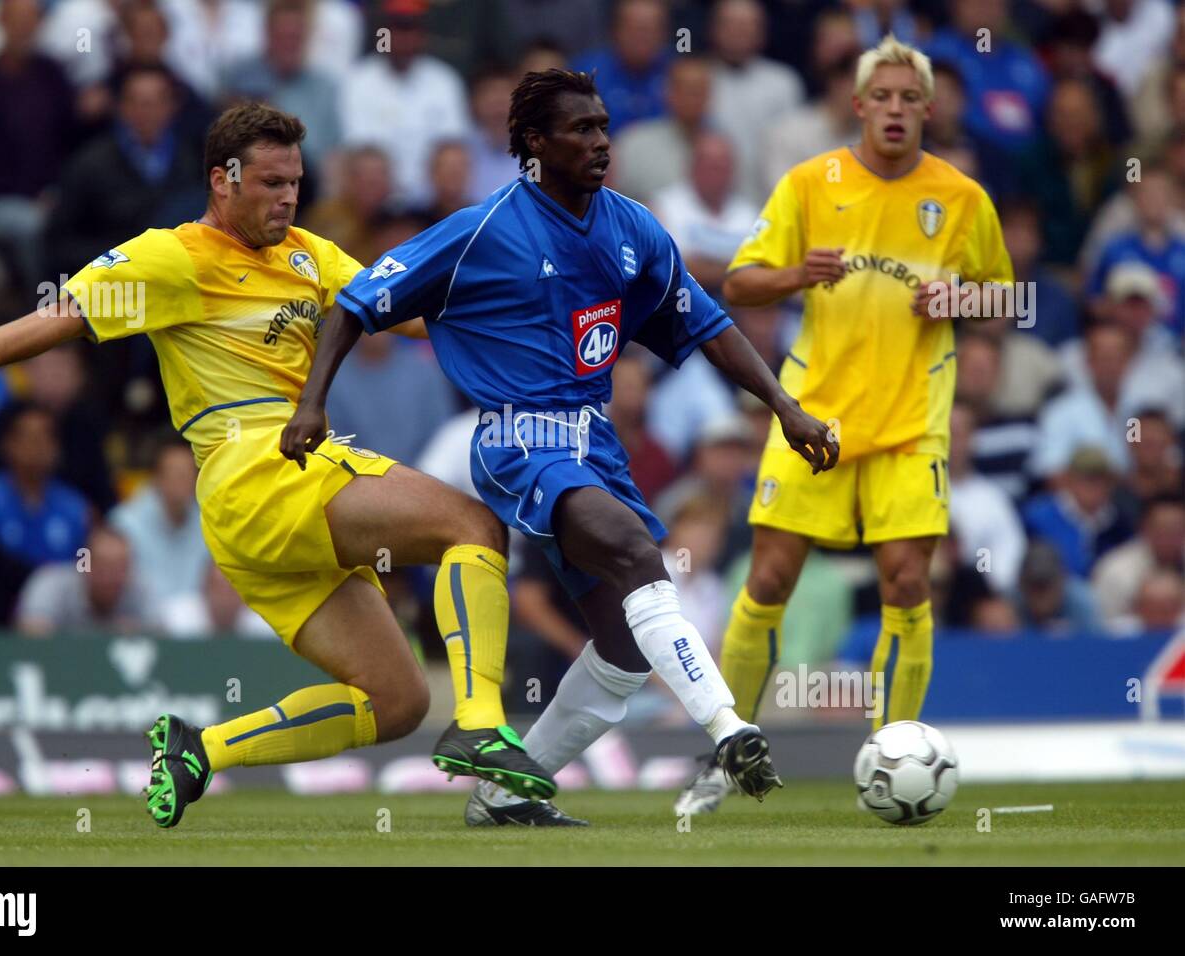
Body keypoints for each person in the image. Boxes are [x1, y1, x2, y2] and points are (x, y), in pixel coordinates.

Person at [0, 102, 555, 828]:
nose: (287, 196)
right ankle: (483, 723)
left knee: (396, 701)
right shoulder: (173, 256)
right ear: (222, 179)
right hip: (258, 470)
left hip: (267, 507)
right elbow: (60, 316)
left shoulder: (310, 253)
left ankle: (201, 748)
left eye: (295, 181)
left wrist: (534, 316)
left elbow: (415, 315)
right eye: (270, 182)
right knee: (473, 525)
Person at [301, 68, 838, 826]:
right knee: (633, 552)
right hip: (518, 437)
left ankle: (504, 798)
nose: (600, 143)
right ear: (532, 143)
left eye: (604, 127)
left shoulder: (634, 228)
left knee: (621, 646)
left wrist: (784, 405)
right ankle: (728, 727)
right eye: (581, 129)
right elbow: (355, 304)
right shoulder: (480, 230)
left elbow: (707, 323)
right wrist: (312, 403)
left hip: (596, 445)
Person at [675, 35, 1014, 816]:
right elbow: (739, 281)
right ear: (858, 106)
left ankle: (889, 752)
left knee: (906, 581)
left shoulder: (961, 197)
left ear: (928, 109)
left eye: (910, 99)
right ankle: (726, 752)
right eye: (882, 98)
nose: (896, 110)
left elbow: (1007, 296)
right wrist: (798, 274)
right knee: (768, 580)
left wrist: (960, 300)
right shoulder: (809, 183)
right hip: (812, 417)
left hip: (911, 424)